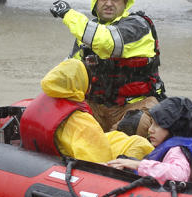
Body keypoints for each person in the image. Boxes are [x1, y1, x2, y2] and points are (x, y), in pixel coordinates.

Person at [49, 0, 165, 137]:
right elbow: (70, 68)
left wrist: (68, 14)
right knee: (62, 117)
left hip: (135, 106)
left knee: (135, 123)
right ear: (96, 2)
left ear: (125, 4)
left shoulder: (137, 25)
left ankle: (121, 154)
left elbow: (106, 42)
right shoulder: (87, 32)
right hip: (95, 106)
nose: (109, 3)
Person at [19, 58, 154, 163]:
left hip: (55, 152)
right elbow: (98, 160)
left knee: (124, 138)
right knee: (139, 144)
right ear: (80, 83)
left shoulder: (45, 101)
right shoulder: (81, 122)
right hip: (81, 158)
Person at [107, 97, 192, 185]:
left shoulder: (177, 151)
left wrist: (138, 165)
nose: (150, 130)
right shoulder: (179, 144)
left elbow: (179, 175)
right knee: (124, 161)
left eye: (158, 125)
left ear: (173, 129)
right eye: (152, 123)